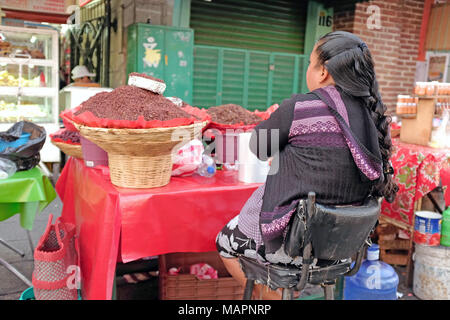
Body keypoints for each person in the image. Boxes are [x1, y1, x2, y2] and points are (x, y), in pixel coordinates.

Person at [215, 31, 398, 299]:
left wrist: (282, 142)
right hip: (341, 248)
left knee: (224, 241)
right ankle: (288, 292)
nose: (309, 71)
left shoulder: (300, 108)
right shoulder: (373, 118)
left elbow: (256, 147)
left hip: (293, 245)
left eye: (311, 64)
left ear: (323, 71)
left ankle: (274, 298)